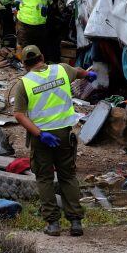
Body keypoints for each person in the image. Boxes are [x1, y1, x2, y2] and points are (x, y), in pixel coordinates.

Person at [12, 45, 96, 236]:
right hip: (65, 135)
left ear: (24, 64)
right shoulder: (62, 69)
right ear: (42, 56)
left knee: (45, 179)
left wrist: (40, 134)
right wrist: (88, 75)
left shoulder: (24, 83)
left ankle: (53, 224)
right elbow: (81, 72)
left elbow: (18, 114)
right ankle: (75, 222)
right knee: (68, 176)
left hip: (42, 138)